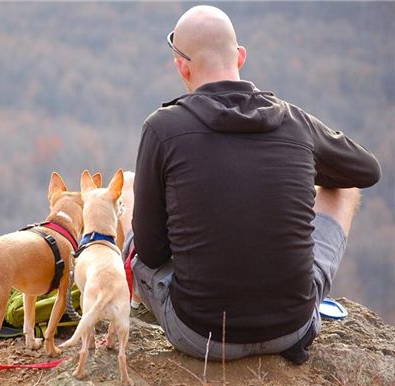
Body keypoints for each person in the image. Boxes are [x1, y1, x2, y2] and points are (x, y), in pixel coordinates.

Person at [131, 5, 381, 364]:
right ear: (241, 56)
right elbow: (366, 171)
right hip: (292, 327)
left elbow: (151, 253)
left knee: (130, 191)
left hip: (200, 334)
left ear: (181, 66)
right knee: (344, 186)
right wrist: (293, 172)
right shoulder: (295, 121)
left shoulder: (162, 128)